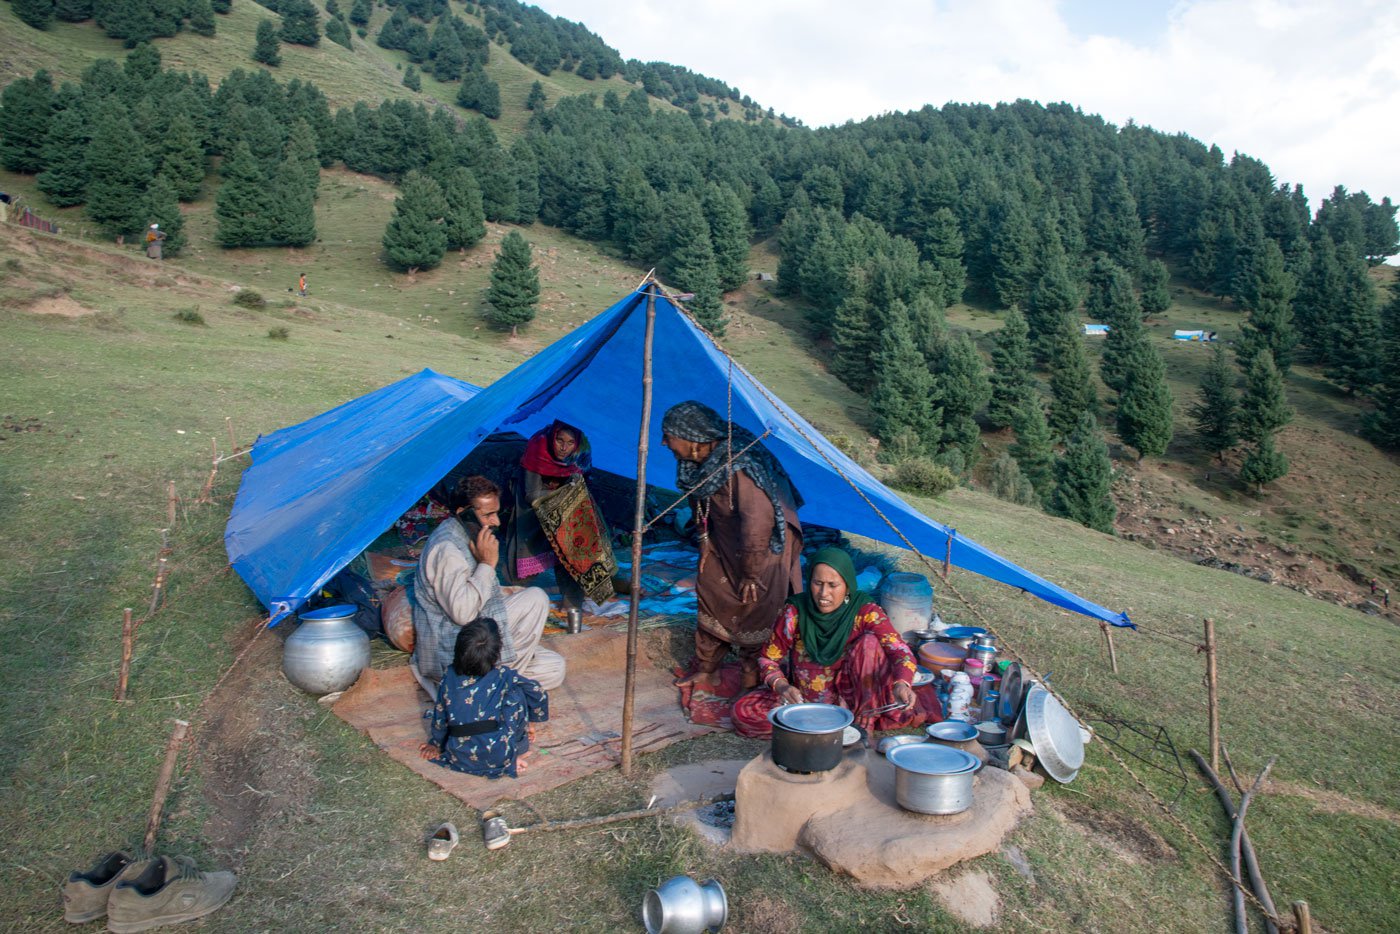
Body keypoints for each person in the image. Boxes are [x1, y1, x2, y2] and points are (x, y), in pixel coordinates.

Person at [663, 401, 803, 695]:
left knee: (753, 602)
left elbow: (758, 520)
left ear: (692, 436)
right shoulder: (693, 463)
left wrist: (751, 572)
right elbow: (698, 505)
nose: (664, 443)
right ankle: (707, 670)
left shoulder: (739, 466)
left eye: (669, 435)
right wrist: (704, 543)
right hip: (725, 539)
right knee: (711, 586)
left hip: (764, 546)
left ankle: (752, 673)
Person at [731, 547, 933, 738]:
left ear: (847, 586)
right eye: (817, 583)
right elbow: (768, 659)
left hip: (855, 700)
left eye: (833, 585)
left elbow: (901, 652)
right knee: (743, 712)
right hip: (805, 700)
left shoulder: (865, 612)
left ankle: (863, 722)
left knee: (870, 644)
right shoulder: (795, 611)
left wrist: (901, 684)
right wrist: (783, 687)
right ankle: (821, 727)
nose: (823, 593)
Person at [411, 475, 565, 696]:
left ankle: (489, 682)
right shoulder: (447, 549)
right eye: (488, 515)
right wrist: (486, 564)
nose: (496, 522)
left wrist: (504, 590)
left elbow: (473, 592)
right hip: (450, 646)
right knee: (536, 599)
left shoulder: (469, 533)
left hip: (475, 636)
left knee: (555, 666)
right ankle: (487, 688)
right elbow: (462, 613)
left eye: (496, 513)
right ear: (462, 512)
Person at [418, 617, 548, 779]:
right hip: (501, 751)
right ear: (496, 654)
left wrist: (435, 744)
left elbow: (440, 716)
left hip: (459, 754)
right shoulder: (504, 676)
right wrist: (532, 723)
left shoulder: (449, 675)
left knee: (450, 706)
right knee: (518, 693)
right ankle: (515, 752)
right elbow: (538, 692)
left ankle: (504, 757)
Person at [506, 420, 614, 609]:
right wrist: (565, 496)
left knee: (570, 554)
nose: (563, 448)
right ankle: (511, 604)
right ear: (552, 437)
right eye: (559, 440)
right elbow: (532, 494)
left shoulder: (579, 456)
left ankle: (571, 605)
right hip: (531, 512)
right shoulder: (537, 450)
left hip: (563, 514)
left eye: (570, 443)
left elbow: (579, 483)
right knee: (525, 558)